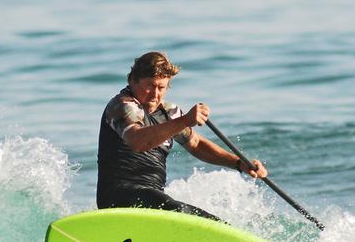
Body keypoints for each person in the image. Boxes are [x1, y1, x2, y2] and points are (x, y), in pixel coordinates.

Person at [96, 51, 267, 220]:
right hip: (117, 197)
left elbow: (196, 144)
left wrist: (238, 163)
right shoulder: (122, 105)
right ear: (132, 80)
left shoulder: (169, 113)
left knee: (211, 221)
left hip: (152, 197)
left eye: (161, 87)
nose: (155, 94)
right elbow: (138, 141)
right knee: (182, 212)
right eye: (149, 85)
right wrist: (185, 120)